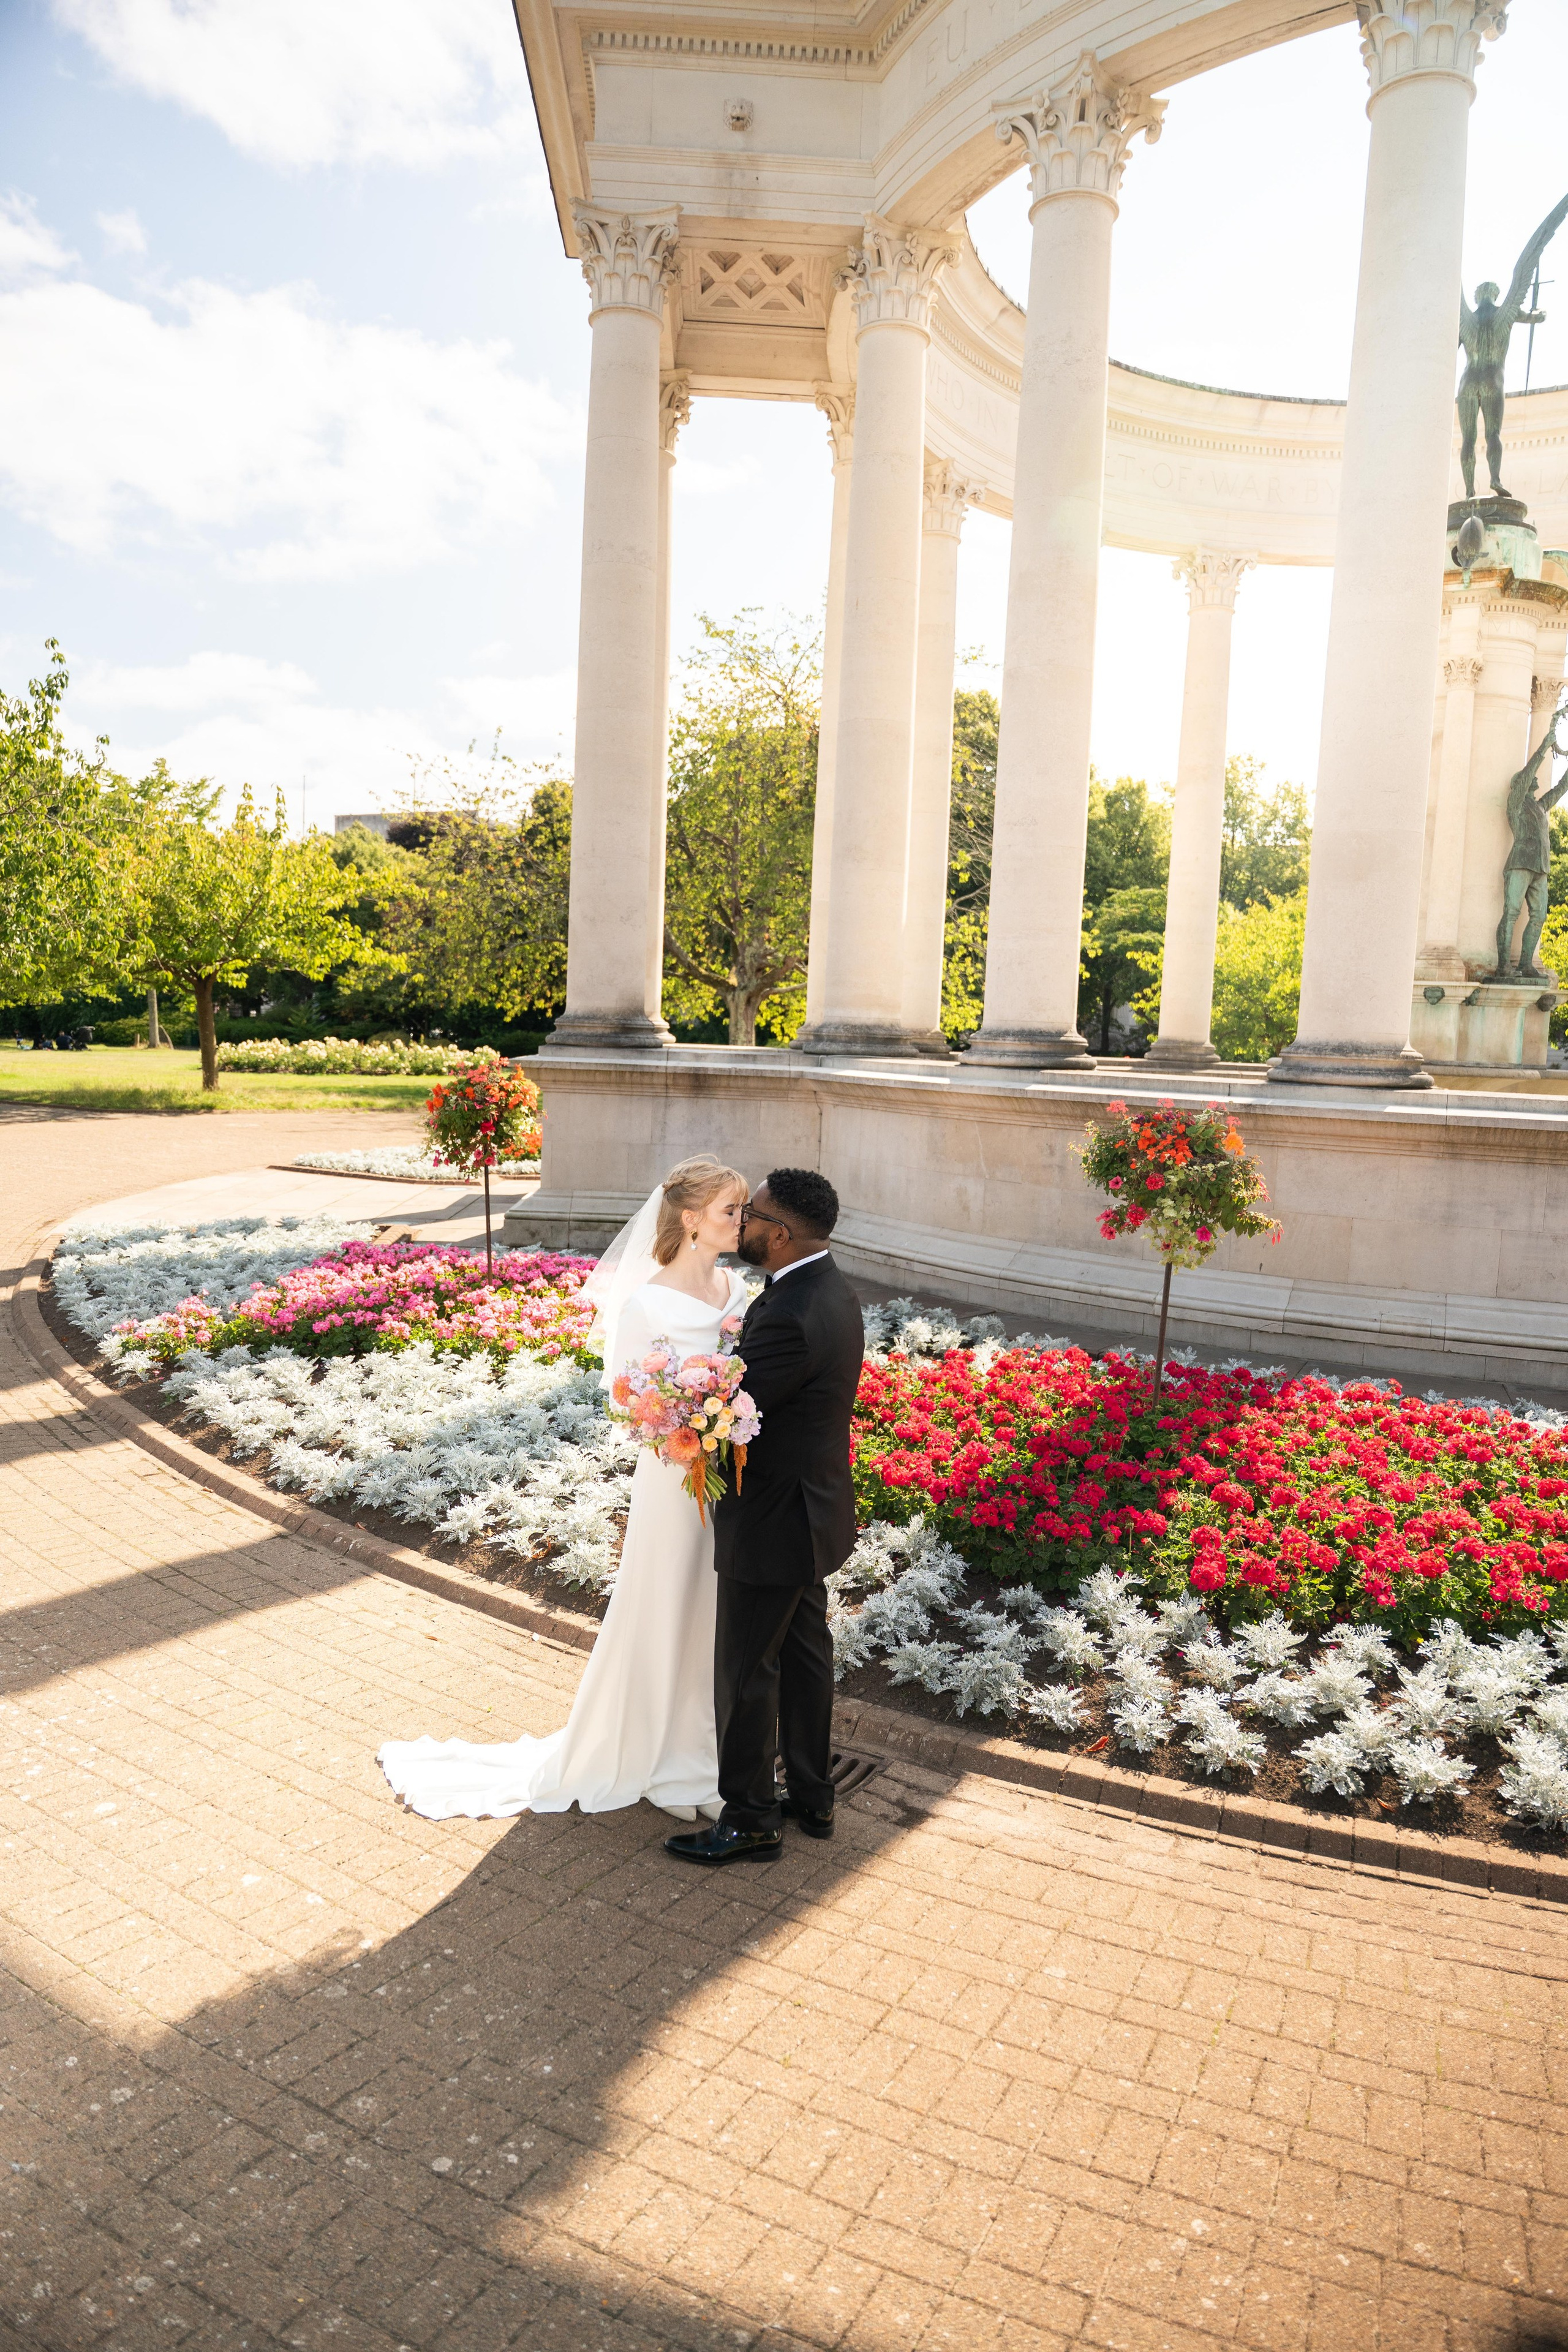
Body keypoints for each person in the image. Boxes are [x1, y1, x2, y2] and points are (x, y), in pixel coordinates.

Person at [376, 1155, 750, 1822]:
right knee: (666, 1600)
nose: (741, 1221)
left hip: (731, 1478)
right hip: (672, 1478)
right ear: (691, 1219)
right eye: (730, 1209)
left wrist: (728, 1414)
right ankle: (654, 1749)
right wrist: (682, 1417)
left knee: (716, 1608)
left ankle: (707, 1741)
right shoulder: (647, 1302)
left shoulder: (736, 1292)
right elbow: (627, 1398)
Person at [665, 1167, 865, 1869]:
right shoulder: (830, 1288)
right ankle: (811, 1795)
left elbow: (732, 1413)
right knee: (807, 1655)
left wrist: (672, 1408)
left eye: (750, 1214)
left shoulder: (786, 1311)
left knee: (747, 1670)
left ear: (779, 1234)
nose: (741, 1222)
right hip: (813, 1514)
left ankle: (750, 1818)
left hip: (775, 1522)